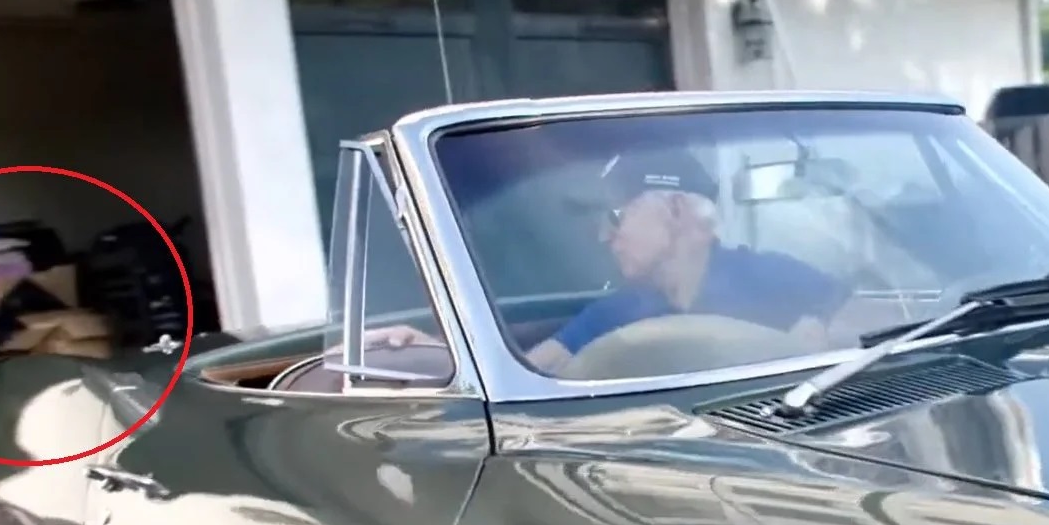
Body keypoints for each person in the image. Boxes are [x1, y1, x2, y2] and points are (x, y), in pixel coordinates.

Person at [360, 148, 857, 375]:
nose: (604, 235)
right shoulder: (615, 312)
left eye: (616, 215)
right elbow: (528, 371)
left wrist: (818, 332)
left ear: (677, 210)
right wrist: (428, 350)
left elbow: (870, 334)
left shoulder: (774, 275)